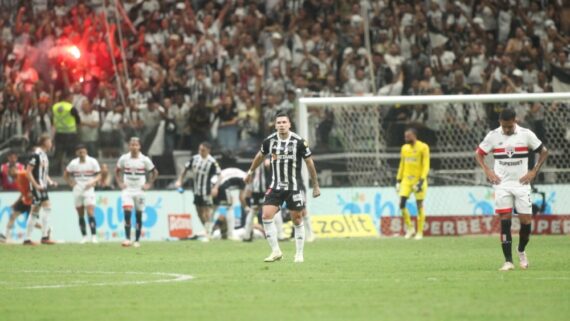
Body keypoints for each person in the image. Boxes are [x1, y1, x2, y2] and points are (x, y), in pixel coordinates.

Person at [475, 108, 548, 271]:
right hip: (502, 184)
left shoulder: (526, 134)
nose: (507, 129)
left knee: (526, 223)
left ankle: (521, 250)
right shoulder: (493, 135)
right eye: (504, 126)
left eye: (509, 126)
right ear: (500, 122)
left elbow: (543, 152)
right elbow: (478, 154)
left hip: (521, 184)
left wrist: (534, 171)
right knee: (505, 222)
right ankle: (508, 261)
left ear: (515, 121)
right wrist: (488, 170)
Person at [244, 112, 320, 263]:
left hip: (293, 186)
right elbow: (260, 156)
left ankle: (299, 254)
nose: (281, 125)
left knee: (297, 219)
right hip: (275, 186)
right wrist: (250, 171)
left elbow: (309, 163)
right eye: (278, 123)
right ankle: (276, 251)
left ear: (289, 124)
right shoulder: (269, 141)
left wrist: (315, 185)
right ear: (275, 125)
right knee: (266, 215)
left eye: (284, 122)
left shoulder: (299, 142)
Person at [115, 137, 159, 248]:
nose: (134, 147)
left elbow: (154, 172)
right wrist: (120, 183)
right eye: (132, 145)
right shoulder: (124, 158)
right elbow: (117, 171)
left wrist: (149, 184)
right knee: (127, 212)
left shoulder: (145, 159)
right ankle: (127, 239)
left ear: (139, 146)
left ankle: (137, 240)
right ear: (129, 146)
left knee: (138, 215)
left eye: (136, 145)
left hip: (140, 191)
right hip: (127, 190)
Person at [175, 142, 220, 242]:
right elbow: (185, 169)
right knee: (199, 212)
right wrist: (180, 180)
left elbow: (219, 175)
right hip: (196, 190)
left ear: (208, 150)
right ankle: (208, 230)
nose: (201, 152)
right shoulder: (195, 158)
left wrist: (215, 187)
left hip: (206, 190)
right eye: (200, 149)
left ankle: (207, 234)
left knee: (206, 211)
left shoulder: (212, 162)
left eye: (203, 150)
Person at [396, 128, 430, 240]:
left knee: (419, 205)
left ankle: (420, 232)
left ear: (414, 136)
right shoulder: (404, 148)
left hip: (418, 180)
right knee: (401, 204)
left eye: (408, 136)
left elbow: (426, 165)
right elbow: (402, 164)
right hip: (406, 180)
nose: (406, 138)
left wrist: (421, 181)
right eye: (405, 136)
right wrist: (398, 180)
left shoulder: (423, 147)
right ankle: (410, 229)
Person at [63, 145, 102, 244]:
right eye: (80, 152)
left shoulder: (92, 161)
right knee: (80, 214)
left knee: (90, 212)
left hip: (89, 189)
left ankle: (93, 236)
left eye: (83, 151)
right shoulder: (73, 163)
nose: (82, 153)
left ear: (86, 151)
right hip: (78, 189)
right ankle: (84, 236)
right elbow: (66, 174)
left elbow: (99, 174)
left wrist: (93, 181)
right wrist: (71, 183)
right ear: (77, 153)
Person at [23, 134, 58, 245]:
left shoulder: (44, 155)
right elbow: (28, 172)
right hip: (38, 186)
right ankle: (44, 237)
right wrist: (36, 185)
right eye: (50, 141)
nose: (51, 143)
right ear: (44, 142)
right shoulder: (36, 154)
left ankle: (28, 239)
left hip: (42, 186)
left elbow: (43, 172)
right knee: (46, 208)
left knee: (35, 211)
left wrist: (50, 181)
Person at [3, 167, 41, 242]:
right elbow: (23, 193)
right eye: (8, 172)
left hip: (31, 201)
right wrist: (15, 203)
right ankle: (5, 236)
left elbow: (33, 177)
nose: (9, 173)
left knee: (31, 221)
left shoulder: (22, 174)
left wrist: (32, 191)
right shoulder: (16, 180)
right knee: (12, 216)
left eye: (11, 170)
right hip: (24, 201)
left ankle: (46, 230)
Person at [211, 167, 248, 240]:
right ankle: (230, 233)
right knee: (230, 206)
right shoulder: (245, 178)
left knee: (215, 209)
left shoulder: (240, 172)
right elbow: (241, 197)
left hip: (212, 184)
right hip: (221, 185)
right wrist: (246, 207)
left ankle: (210, 231)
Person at [243, 158, 270, 242]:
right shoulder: (265, 159)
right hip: (261, 190)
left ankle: (247, 235)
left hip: (259, 190)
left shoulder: (257, 161)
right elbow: (267, 164)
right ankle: (278, 235)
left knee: (254, 211)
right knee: (272, 211)